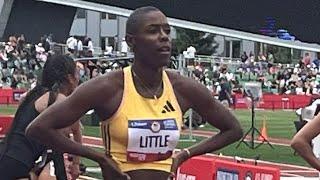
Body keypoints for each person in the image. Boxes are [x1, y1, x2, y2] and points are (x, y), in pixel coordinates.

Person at [26, 6, 243, 180]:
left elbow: (233, 129)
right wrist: (100, 158)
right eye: (153, 31)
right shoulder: (108, 87)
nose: (164, 37)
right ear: (131, 41)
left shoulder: (182, 87)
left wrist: (184, 155)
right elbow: (38, 128)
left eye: (167, 31)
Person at [0, 55, 81, 179]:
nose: (79, 77)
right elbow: (60, 144)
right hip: (17, 163)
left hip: (7, 155)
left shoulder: (32, 95)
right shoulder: (58, 101)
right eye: (77, 73)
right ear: (70, 78)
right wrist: (76, 164)